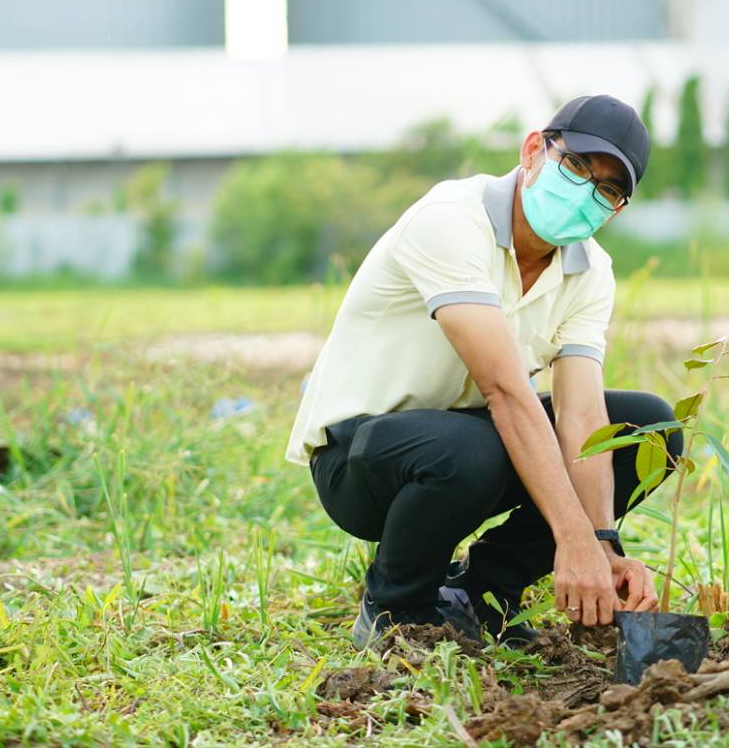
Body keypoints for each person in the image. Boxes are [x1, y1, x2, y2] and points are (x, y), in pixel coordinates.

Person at [285, 94, 684, 648]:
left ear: (616, 209)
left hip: (473, 441)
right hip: (362, 458)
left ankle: (485, 593)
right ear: (533, 150)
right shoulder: (452, 219)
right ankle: (397, 604)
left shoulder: (590, 272)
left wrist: (602, 543)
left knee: (647, 428)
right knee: (476, 445)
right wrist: (570, 539)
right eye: (576, 167)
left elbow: (584, 416)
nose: (587, 194)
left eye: (608, 189)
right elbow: (505, 392)